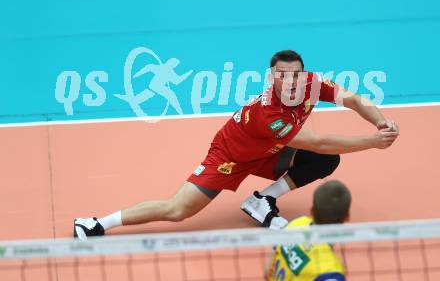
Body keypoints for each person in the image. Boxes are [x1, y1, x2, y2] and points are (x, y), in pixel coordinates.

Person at [74, 50, 399, 239]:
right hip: (230, 156)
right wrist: (373, 142)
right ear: (272, 78)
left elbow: (354, 99)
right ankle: (97, 224)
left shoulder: (313, 85)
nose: (291, 82)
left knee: (326, 162)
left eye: (296, 75)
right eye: (283, 76)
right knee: (177, 211)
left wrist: (380, 122)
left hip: (268, 153)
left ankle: (261, 201)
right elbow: (316, 140)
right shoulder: (268, 111)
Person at [266, 180, 351, 281]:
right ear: (347, 217)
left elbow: (267, 271)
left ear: (312, 211)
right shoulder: (330, 274)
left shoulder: (295, 225)